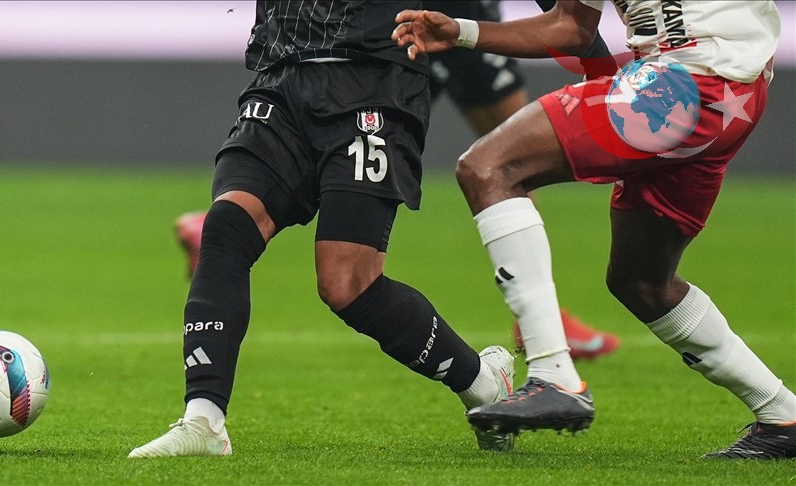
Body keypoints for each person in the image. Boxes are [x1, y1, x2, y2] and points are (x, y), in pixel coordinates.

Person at [392, 0, 795, 459]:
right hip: (734, 98)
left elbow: (571, 26)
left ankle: (554, 375)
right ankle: (782, 414)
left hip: (686, 83)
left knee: (489, 167)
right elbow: (572, 27)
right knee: (642, 282)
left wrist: (463, 32)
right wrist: (462, 32)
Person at [130, 0, 518, 458]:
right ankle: (203, 420)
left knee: (347, 285)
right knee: (226, 227)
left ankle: (483, 383)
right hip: (282, 74)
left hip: (374, 78)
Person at [175, 0, 621, 362]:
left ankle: (229, 216)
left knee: (385, 114)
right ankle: (540, 316)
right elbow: (568, 22)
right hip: (442, 19)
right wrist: (602, 71)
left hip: (401, 31)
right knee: (505, 160)